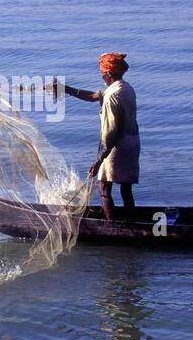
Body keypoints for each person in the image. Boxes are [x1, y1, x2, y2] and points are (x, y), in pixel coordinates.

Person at [51, 53, 140, 222]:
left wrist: (99, 160)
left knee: (104, 189)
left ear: (109, 74)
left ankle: (112, 226)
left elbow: (109, 133)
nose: (101, 76)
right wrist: (64, 88)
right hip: (132, 143)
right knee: (125, 188)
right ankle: (132, 222)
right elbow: (93, 96)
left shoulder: (111, 96)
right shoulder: (125, 88)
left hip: (117, 147)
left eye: (103, 73)